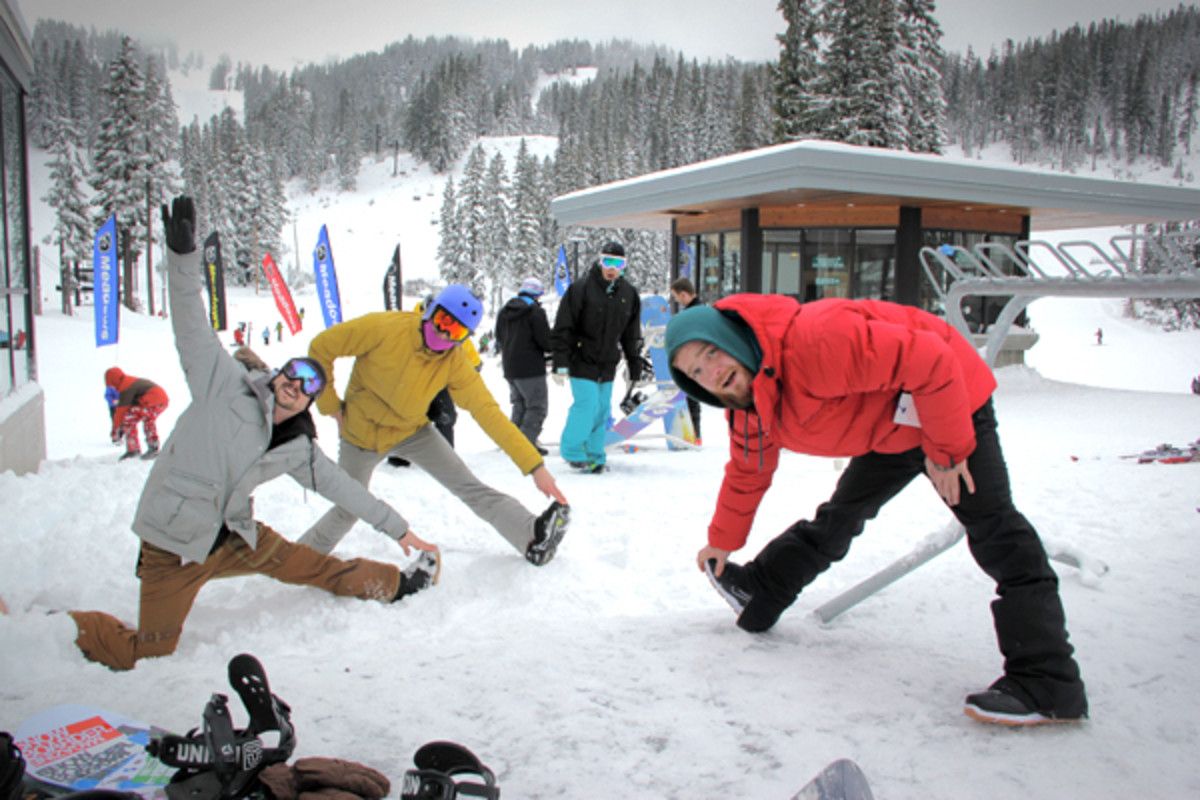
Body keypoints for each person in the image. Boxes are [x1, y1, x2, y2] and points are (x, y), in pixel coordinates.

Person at [665, 294, 1087, 726]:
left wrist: (946, 452)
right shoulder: (749, 404)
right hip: (893, 422)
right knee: (842, 513)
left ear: (730, 336)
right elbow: (747, 470)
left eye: (711, 352)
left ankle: (1048, 681)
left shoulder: (815, 343)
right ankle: (761, 589)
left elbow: (934, 361)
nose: (712, 372)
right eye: (696, 371)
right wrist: (722, 542)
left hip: (951, 397)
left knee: (993, 527)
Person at [68, 196, 440, 672]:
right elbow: (189, 322)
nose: (293, 385)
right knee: (149, 653)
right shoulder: (221, 383)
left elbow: (347, 490)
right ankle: (62, 629)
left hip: (233, 537)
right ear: (277, 374)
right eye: (291, 373)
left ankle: (395, 585)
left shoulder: (296, 449)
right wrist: (182, 260)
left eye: (309, 384)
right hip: (173, 549)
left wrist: (402, 531)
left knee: (310, 564)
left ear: (311, 403)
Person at [300, 285, 571, 566]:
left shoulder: (454, 362)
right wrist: (330, 405)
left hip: (412, 432)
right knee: (350, 507)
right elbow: (322, 346)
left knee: (469, 486)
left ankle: (532, 537)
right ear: (430, 312)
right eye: (443, 322)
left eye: (455, 332)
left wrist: (534, 466)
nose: (444, 334)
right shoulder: (384, 327)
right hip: (361, 436)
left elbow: (488, 412)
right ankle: (299, 558)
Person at [551, 241, 642, 473]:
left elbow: (631, 334)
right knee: (587, 404)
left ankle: (595, 455)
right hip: (582, 357)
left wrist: (634, 363)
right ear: (599, 261)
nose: (611, 268)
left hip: (608, 361)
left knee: (602, 409)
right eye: (607, 261)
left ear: (624, 266)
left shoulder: (628, 294)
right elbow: (564, 326)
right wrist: (560, 361)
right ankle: (572, 451)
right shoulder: (581, 289)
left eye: (618, 263)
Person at [495, 277, 553, 455]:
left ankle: (513, 443)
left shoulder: (504, 311)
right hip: (531, 368)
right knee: (537, 407)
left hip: (510, 367)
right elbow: (546, 342)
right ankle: (525, 446)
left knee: (519, 405)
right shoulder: (535, 312)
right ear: (537, 294)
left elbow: (498, 337)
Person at [104, 368, 169, 460]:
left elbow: (120, 412)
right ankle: (153, 447)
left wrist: (115, 429)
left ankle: (133, 450)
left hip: (150, 401)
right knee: (148, 420)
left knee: (128, 418)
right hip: (162, 401)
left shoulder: (124, 387)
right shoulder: (128, 381)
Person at [669, 277, 704, 444]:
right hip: (697, 357)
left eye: (676, 296)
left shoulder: (693, 312)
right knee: (691, 396)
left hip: (695, 359)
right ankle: (694, 434)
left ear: (684, 294)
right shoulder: (699, 309)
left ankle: (694, 435)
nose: (676, 300)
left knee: (691, 396)